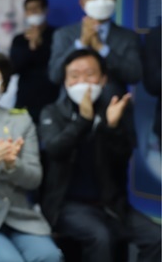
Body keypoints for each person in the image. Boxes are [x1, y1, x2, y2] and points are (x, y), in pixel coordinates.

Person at [39, 48, 161, 262]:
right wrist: (83, 121)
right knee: (100, 237)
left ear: (103, 79)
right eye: (74, 76)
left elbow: (123, 157)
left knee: (156, 237)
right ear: (65, 81)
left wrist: (111, 127)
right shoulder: (52, 112)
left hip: (112, 204)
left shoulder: (115, 109)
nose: (82, 81)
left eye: (89, 74)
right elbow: (55, 149)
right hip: (68, 205)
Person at [0, 50, 62, 262]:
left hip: (20, 216)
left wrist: (12, 164)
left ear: (3, 84)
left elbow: (34, 179)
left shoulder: (21, 120)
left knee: (50, 256)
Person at [48, 0, 142, 100]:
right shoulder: (64, 34)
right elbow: (55, 75)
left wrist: (101, 48)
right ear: (82, 2)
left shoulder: (128, 37)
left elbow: (134, 75)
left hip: (114, 110)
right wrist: (81, 44)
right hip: (70, 114)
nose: (101, 1)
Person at [9, 0, 59, 124]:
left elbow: (57, 63)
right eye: (29, 10)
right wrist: (32, 46)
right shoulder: (19, 39)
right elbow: (15, 67)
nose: (33, 13)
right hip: (26, 97)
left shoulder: (58, 35)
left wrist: (40, 44)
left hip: (52, 97)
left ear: (45, 10)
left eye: (36, 9)